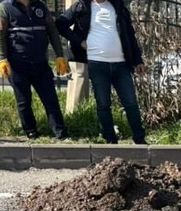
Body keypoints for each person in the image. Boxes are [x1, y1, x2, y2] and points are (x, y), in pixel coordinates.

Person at [56, 0, 146, 144]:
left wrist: (138, 60)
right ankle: (110, 139)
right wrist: (79, 41)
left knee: (130, 102)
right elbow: (60, 23)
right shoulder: (81, 7)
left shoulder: (118, 6)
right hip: (97, 63)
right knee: (103, 104)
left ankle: (139, 139)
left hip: (121, 63)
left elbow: (130, 34)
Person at [0, 0, 70, 140]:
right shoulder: (5, 8)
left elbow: (52, 31)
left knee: (50, 99)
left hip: (40, 63)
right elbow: (0, 36)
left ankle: (60, 133)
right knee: (23, 101)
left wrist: (59, 55)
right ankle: (31, 132)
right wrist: (2, 58)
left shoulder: (40, 6)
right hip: (17, 65)